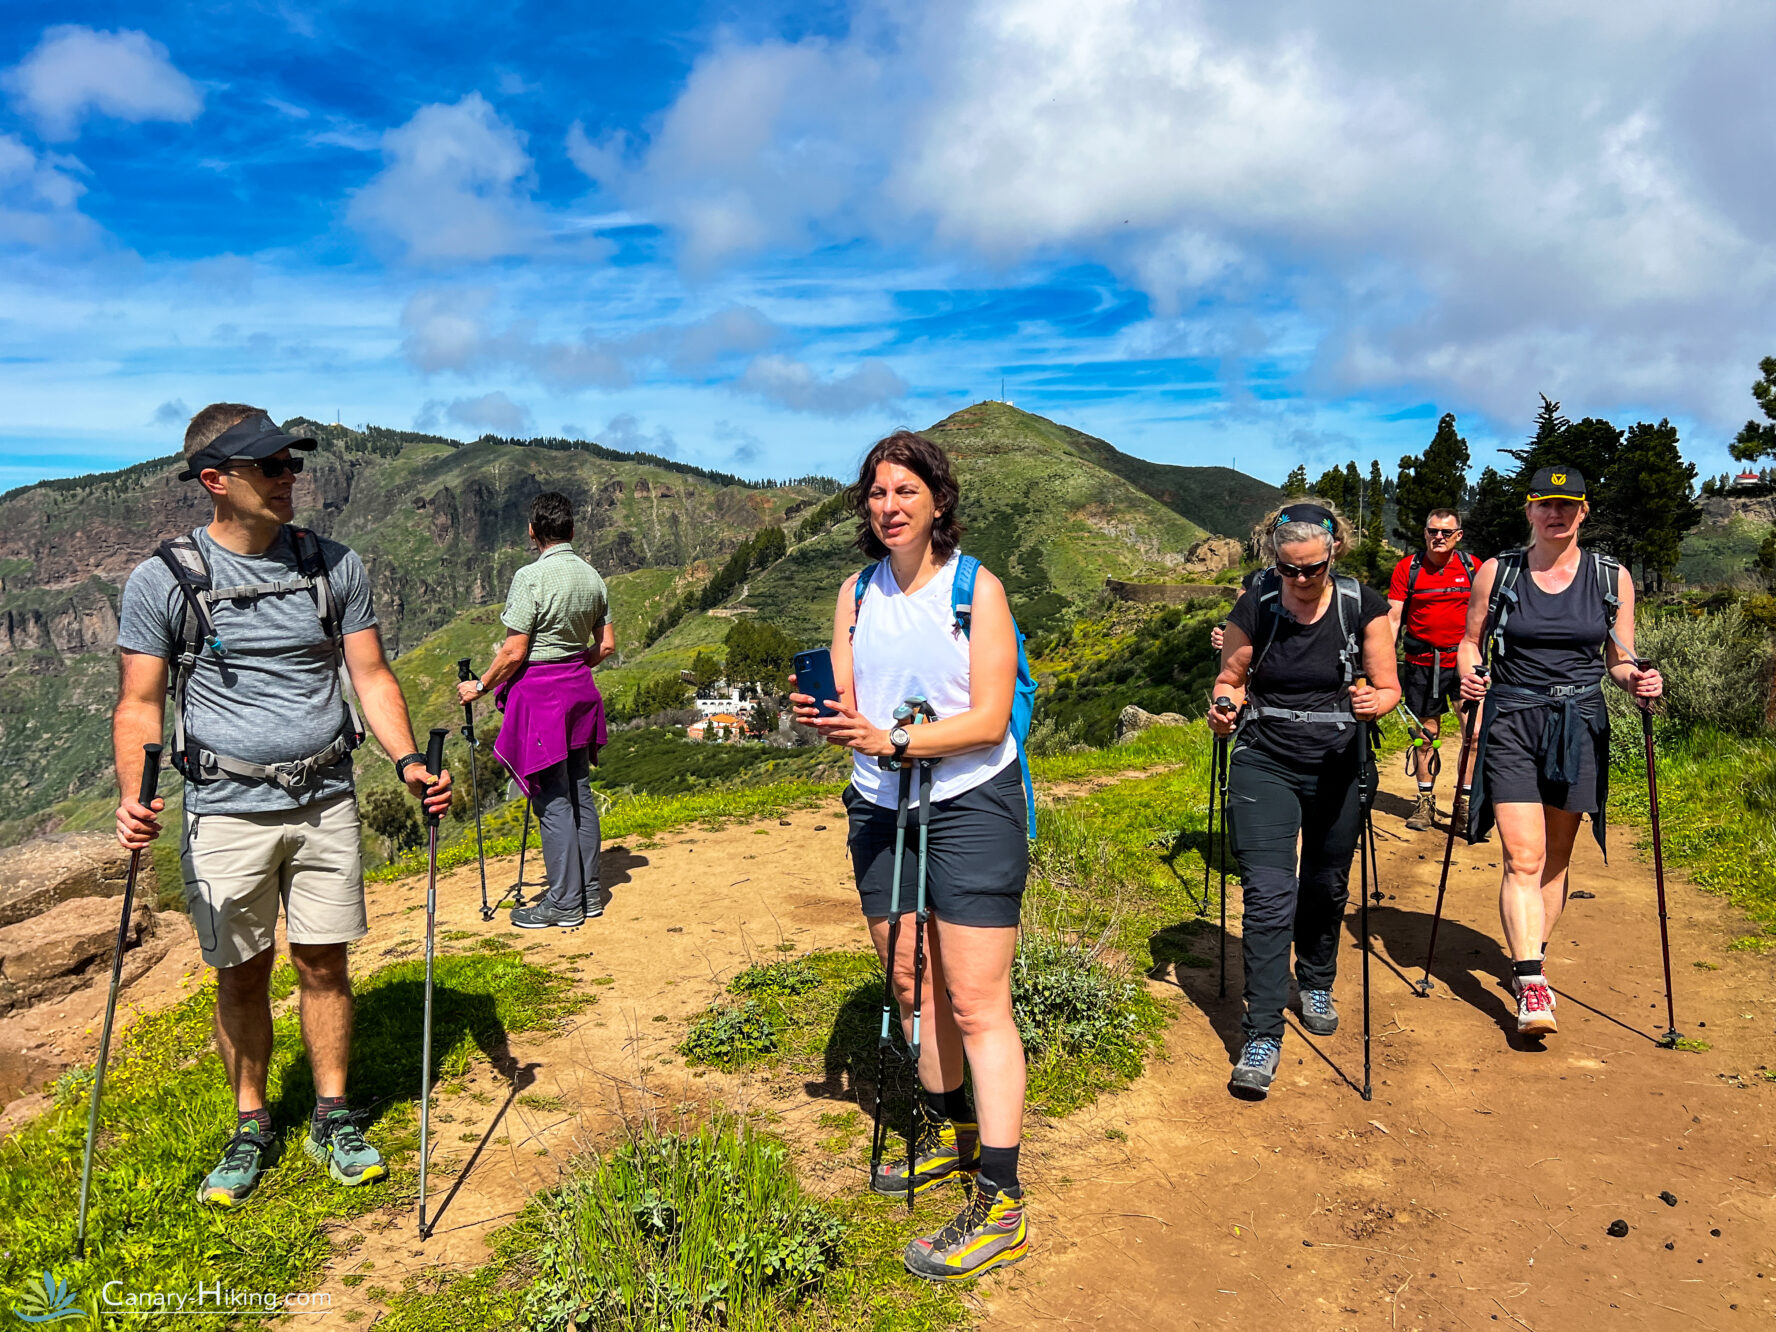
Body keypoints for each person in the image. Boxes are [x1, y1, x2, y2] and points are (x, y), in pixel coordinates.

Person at [113, 404, 452, 1208]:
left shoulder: (334, 565)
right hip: (224, 808)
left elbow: (370, 675)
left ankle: (332, 1113)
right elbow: (138, 703)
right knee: (241, 970)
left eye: (292, 464)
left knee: (324, 958)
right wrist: (135, 795)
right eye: (270, 466)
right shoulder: (161, 579)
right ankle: (251, 1123)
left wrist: (405, 758)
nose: (289, 477)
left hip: (326, 796)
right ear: (215, 481)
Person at [790, 430, 1029, 1282]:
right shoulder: (855, 592)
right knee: (908, 982)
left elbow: (991, 718)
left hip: (971, 801)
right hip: (880, 803)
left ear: (938, 501)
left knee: (973, 1000)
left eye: (905, 492)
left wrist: (895, 736)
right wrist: (830, 716)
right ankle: (947, 1129)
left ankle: (999, 1198)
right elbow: (851, 699)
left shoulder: (977, 589)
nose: (888, 507)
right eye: (877, 493)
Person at [1456, 467, 1662, 1037]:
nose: (1556, 514)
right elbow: (1469, 643)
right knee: (1523, 856)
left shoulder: (1609, 577)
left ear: (1583, 511)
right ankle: (1530, 983)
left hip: (1580, 722)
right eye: (1546, 504)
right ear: (1529, 510)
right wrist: (1471, 674)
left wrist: (1637, 681)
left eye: (1568, 505)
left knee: (1557, 857)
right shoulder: (1499, 573)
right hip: (1514, 721)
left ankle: (1533, 955)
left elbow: (1619, 658)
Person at [1207, 499, 1400, 1099]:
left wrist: (1377, 702)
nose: (1300, 581)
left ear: (1332, 554)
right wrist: (1224, 708)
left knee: (1325, 883)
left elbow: (1388, 685)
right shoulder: (1255, 605)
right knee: (1268, 895)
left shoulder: (1359, 604)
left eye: (1311, 568)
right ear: (1275, 562)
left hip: (1339, 760)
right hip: (1265, 758)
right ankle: (1261, 1033)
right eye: (1289, 570)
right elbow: (1228, 679)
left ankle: (1316, 977)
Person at [465, 492, 616, 929]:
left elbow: (514, 651)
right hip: (580, 691)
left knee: (552, 800)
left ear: (532, 532)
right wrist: (575, 665)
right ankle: (589, 895)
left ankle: (564, 904)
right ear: (571, 530)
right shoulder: (594, 578)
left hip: (541, 696)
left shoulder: (530, 577)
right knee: (579, 793)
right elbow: (605, 646)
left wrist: (479, 686)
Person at [1387, 509, 1478, 831]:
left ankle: (1464, 804)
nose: (1438, 537)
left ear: (1458, 536)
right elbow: (1393, 618)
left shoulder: (1473, 568)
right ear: (1425, 533)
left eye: (1445, 532)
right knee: (1426, 736)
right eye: (1432, 531)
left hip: (1465, 664)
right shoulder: (1408, 569)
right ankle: (1424, 802)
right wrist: (1381, 663)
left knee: (1475, 735)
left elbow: (1489, 615)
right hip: (1422, 664)